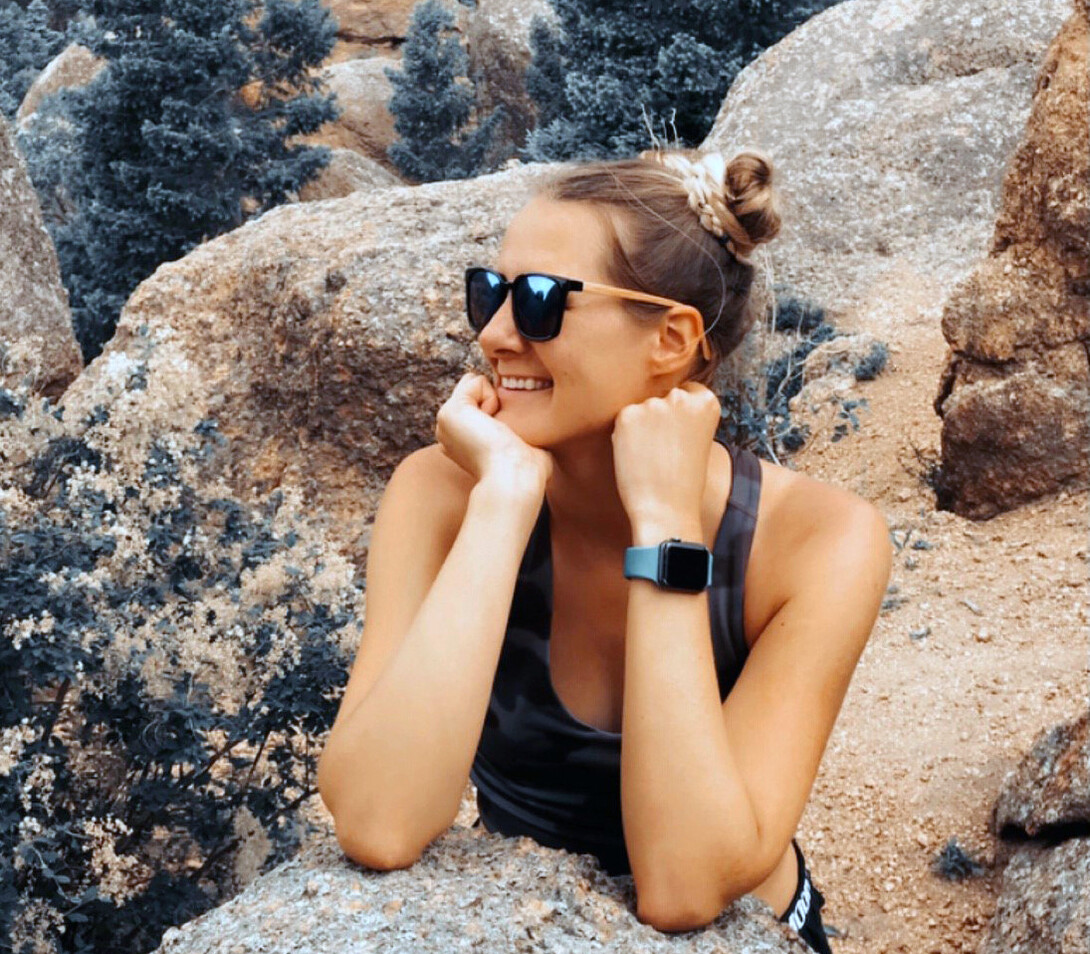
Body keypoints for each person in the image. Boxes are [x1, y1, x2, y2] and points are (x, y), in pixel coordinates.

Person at [316, 146, 893, 953]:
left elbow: (686, 885)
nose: (494, 332)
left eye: (542, 301)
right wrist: (504, 499)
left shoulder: (817, 543)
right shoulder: (440, 495)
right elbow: (379, 821)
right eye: (492, 290)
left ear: (671, 338)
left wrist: (663, 523)